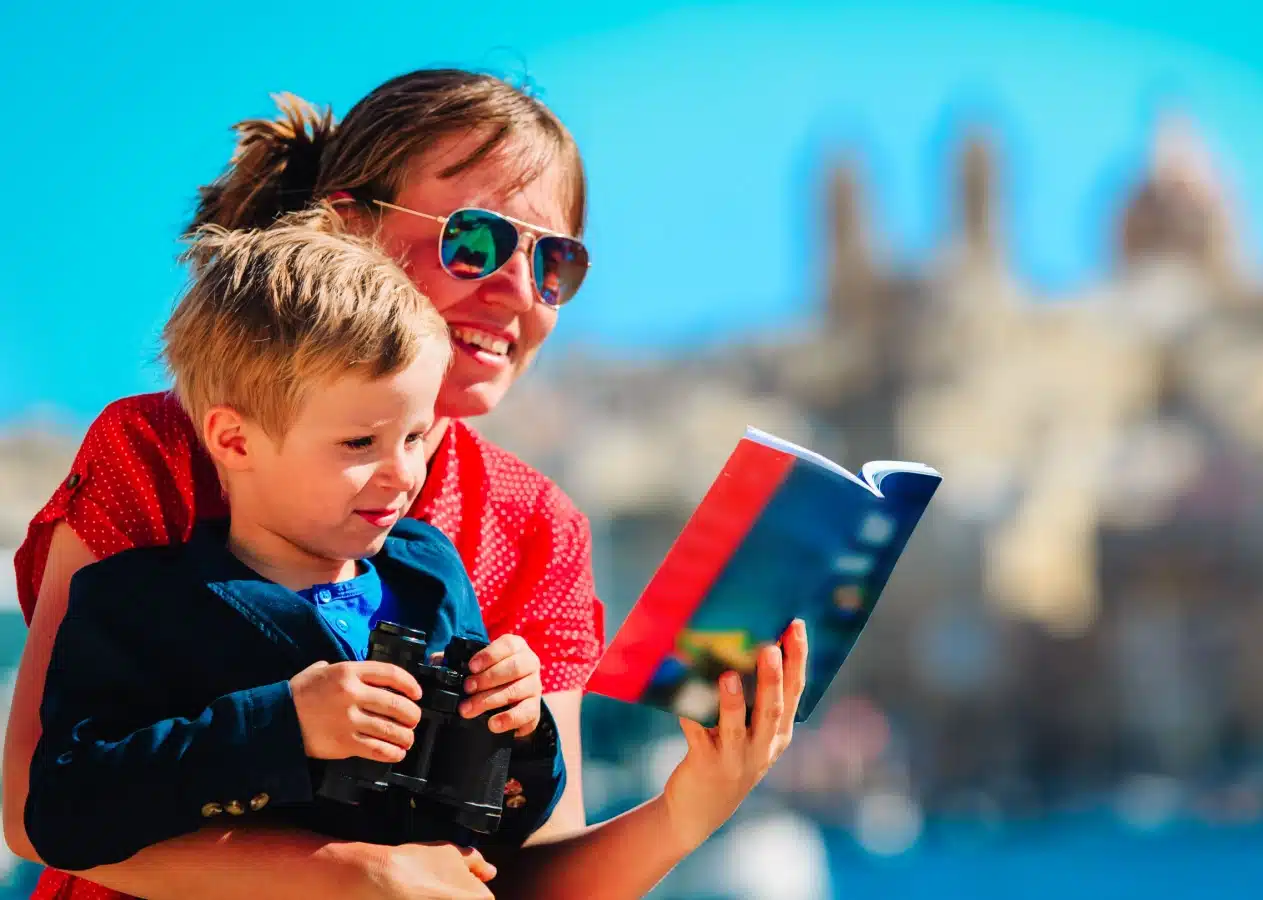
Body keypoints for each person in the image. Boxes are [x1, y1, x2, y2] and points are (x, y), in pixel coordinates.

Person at [4, 69, 809, 900]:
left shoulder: (539, 526)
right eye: (477, 241)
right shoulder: (161, 447)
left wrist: (685, 812)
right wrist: (353, 874)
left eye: (554, 261)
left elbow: (521, 871)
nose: (517, 291)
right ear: (350, 225)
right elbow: (39, 806)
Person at [25, 214, 567, 872]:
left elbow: (504, 822)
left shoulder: (430, 575)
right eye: (360, 443)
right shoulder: (139, 603)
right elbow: (63, 812)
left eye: (414, 437)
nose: (403, 474)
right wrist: (283, 726)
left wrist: (522, 726)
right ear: (234, 441)